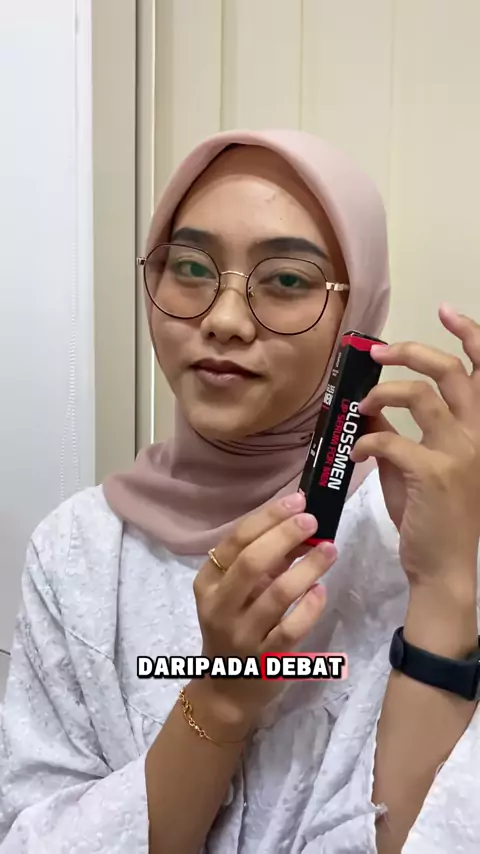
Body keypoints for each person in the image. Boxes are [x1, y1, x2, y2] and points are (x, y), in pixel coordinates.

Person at [1, 129, 479, 854]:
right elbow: (34, 835)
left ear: (356, 316)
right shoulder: (78, 551)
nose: (223, 321)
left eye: (285, 281)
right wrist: (220, 698)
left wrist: (445, 585)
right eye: (190, 268)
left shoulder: (418, 530)